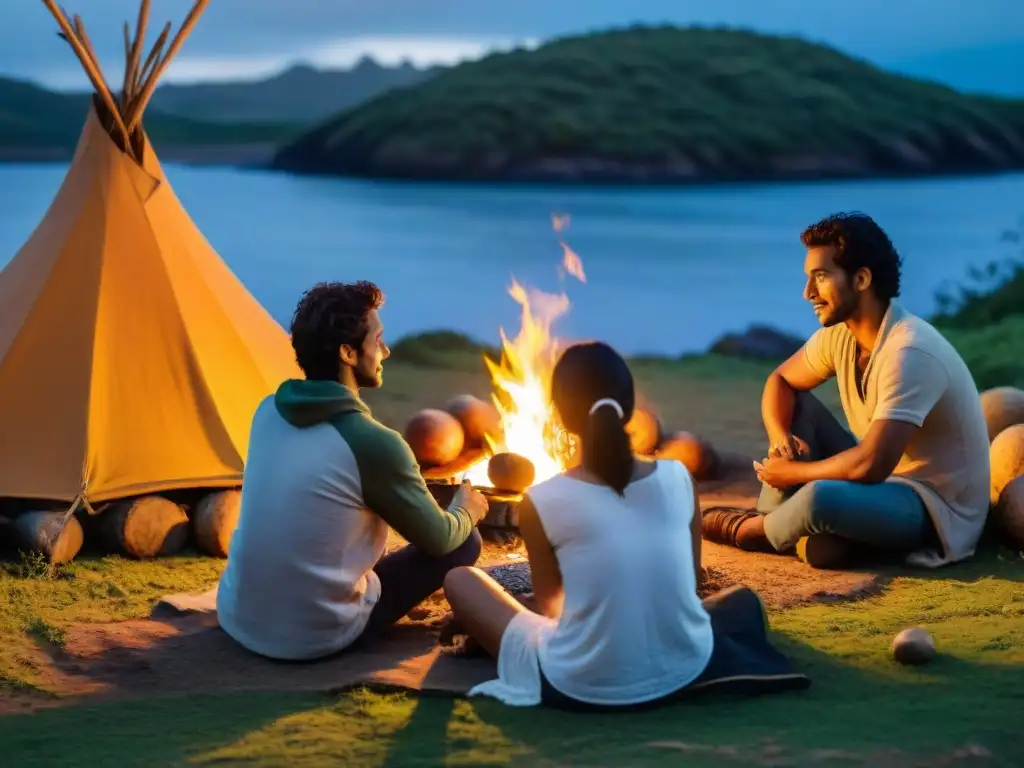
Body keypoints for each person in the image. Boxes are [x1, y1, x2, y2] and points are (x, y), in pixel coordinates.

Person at [444, 341, 809, 710]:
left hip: (577, 680)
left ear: (560, 417)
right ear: (629, 408)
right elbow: (691, 584)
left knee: (460, 579)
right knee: (741, 604)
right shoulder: (678, 477)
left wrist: (512, 610)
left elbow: (554, 609)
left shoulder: (540, 499)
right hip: (683, 663)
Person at [216, 281, 488, 661]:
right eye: (377, 340)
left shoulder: (267, 411)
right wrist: (468, 508)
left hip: (239, 615)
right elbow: (441, 539)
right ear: (348, 352)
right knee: (465, 541)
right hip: (313, 636)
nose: (386, 351)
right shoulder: (372, 442)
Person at [702, 213, 991, 569]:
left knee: (820, 498)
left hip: (932, 508)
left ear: (862, 278)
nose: (808, 293)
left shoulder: (909, 352)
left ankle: (755, 529)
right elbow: (781, 381)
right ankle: (787, 523)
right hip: (881, 486)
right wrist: (781, 439)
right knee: (796, 410)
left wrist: (791, 475)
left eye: (820, 277)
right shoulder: (841, 334)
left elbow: (871, 465)